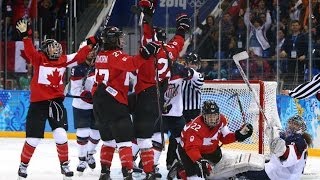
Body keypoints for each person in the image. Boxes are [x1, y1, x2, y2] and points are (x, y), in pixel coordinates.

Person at [15, 19, 96, 179]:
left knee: (61, 134)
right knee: (33, 139)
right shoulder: (39, 59)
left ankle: (64, 165)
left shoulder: (63, 60)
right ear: (45, 50)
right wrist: (25, 35)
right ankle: (23, 166)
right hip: (38, 105)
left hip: (56, 103)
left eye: (57, 47)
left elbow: (80, 56)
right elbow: (30, 51)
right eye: (52, 47)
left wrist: (91, 42)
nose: (56, 50)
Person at [132, 0, 190, 178]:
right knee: (152, 135)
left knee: (145, 134)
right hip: (157, 98)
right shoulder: (170, 50)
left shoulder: (150, 47)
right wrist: (181, 28)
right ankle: (145, 167)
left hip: (144, 95)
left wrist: (147, 16)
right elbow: (179, 40)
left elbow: (147, 34)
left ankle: (133, 164)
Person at [92, 26, 158, 180]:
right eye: (119, 37)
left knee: (108, 140)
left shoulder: (100, 55)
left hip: (99, 103)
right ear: (112, 40)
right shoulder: (115, 54)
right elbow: (132, 64)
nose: (122, 40)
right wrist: (144, 53)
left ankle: (104, 172)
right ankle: (127, 172)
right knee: (125, 140)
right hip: (114, 102)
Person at [177, 100, 253, 179]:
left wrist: (239, 135)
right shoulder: (195, 128)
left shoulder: (222, 120)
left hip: (210, 149)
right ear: (203, 116)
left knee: (215, 170)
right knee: (196, 177)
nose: (213, 119)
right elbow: (191, 148)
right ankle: (181, 170)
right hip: (188, 152)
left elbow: (225, 137)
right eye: (210, 116)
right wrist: (200, 160)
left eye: (215, 115)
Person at [237, 115, 312, 180]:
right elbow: (278, 145)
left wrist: (283, 151)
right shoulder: (289, 137)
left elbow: (289, 158)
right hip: (280, 173)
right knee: (249, 167)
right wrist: (272, 134)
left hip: (282, 177)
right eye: (291, 123)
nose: (291, 126)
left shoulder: (299, 141)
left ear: (301, 129)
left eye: (296, 124)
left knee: (243, 172)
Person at [166, 52, 204, 170]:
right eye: (190, 63)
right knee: (175, 138)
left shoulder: (198, 76)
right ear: (186, 63)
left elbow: (198, 82)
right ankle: (171, 162)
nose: (193, 65)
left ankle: (191, 162)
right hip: (179, 112)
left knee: (192, 139)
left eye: (195, 63)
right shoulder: (179, 75)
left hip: (193, 113)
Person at [69, 42, 100, 175]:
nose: (92, 52)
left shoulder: (99, 66)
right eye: (89, 50)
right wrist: (89, 95)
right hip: (81, 105)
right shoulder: (77, 69)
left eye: (94, 50)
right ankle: (82, 159)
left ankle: (90, 154)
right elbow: (75, 90)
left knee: (97, 132)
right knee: (83, 131)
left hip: (97, 105)